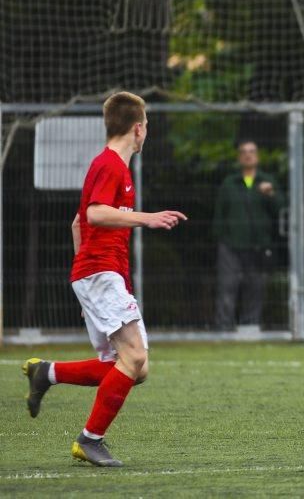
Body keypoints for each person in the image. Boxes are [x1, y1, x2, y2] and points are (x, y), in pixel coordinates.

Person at [22, 91, 187, 466]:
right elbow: (94, 214)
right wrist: (146, 218)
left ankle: (46, 373)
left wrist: (87, 290)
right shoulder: (111, 165)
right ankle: (89, 439)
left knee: (135, 368)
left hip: (98, 275)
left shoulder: (113, 166)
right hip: (100, 273)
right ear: (139, 128)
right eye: (147, 128)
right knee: (134, 357)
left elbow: (77, 223)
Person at [212, 140, 284, 331]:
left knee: (256, 287)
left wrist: (271, 195)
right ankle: (224, 328)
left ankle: (250, 327)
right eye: (243, 152)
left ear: (257, 156)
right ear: (239, 157)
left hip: (259, 245)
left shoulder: (267, 182)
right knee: (227, 287)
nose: (248, 155)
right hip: (231, 244)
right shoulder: (230, 183)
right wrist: (222, 239)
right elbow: (220, 213)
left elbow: (281, 210)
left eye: (252, 151)